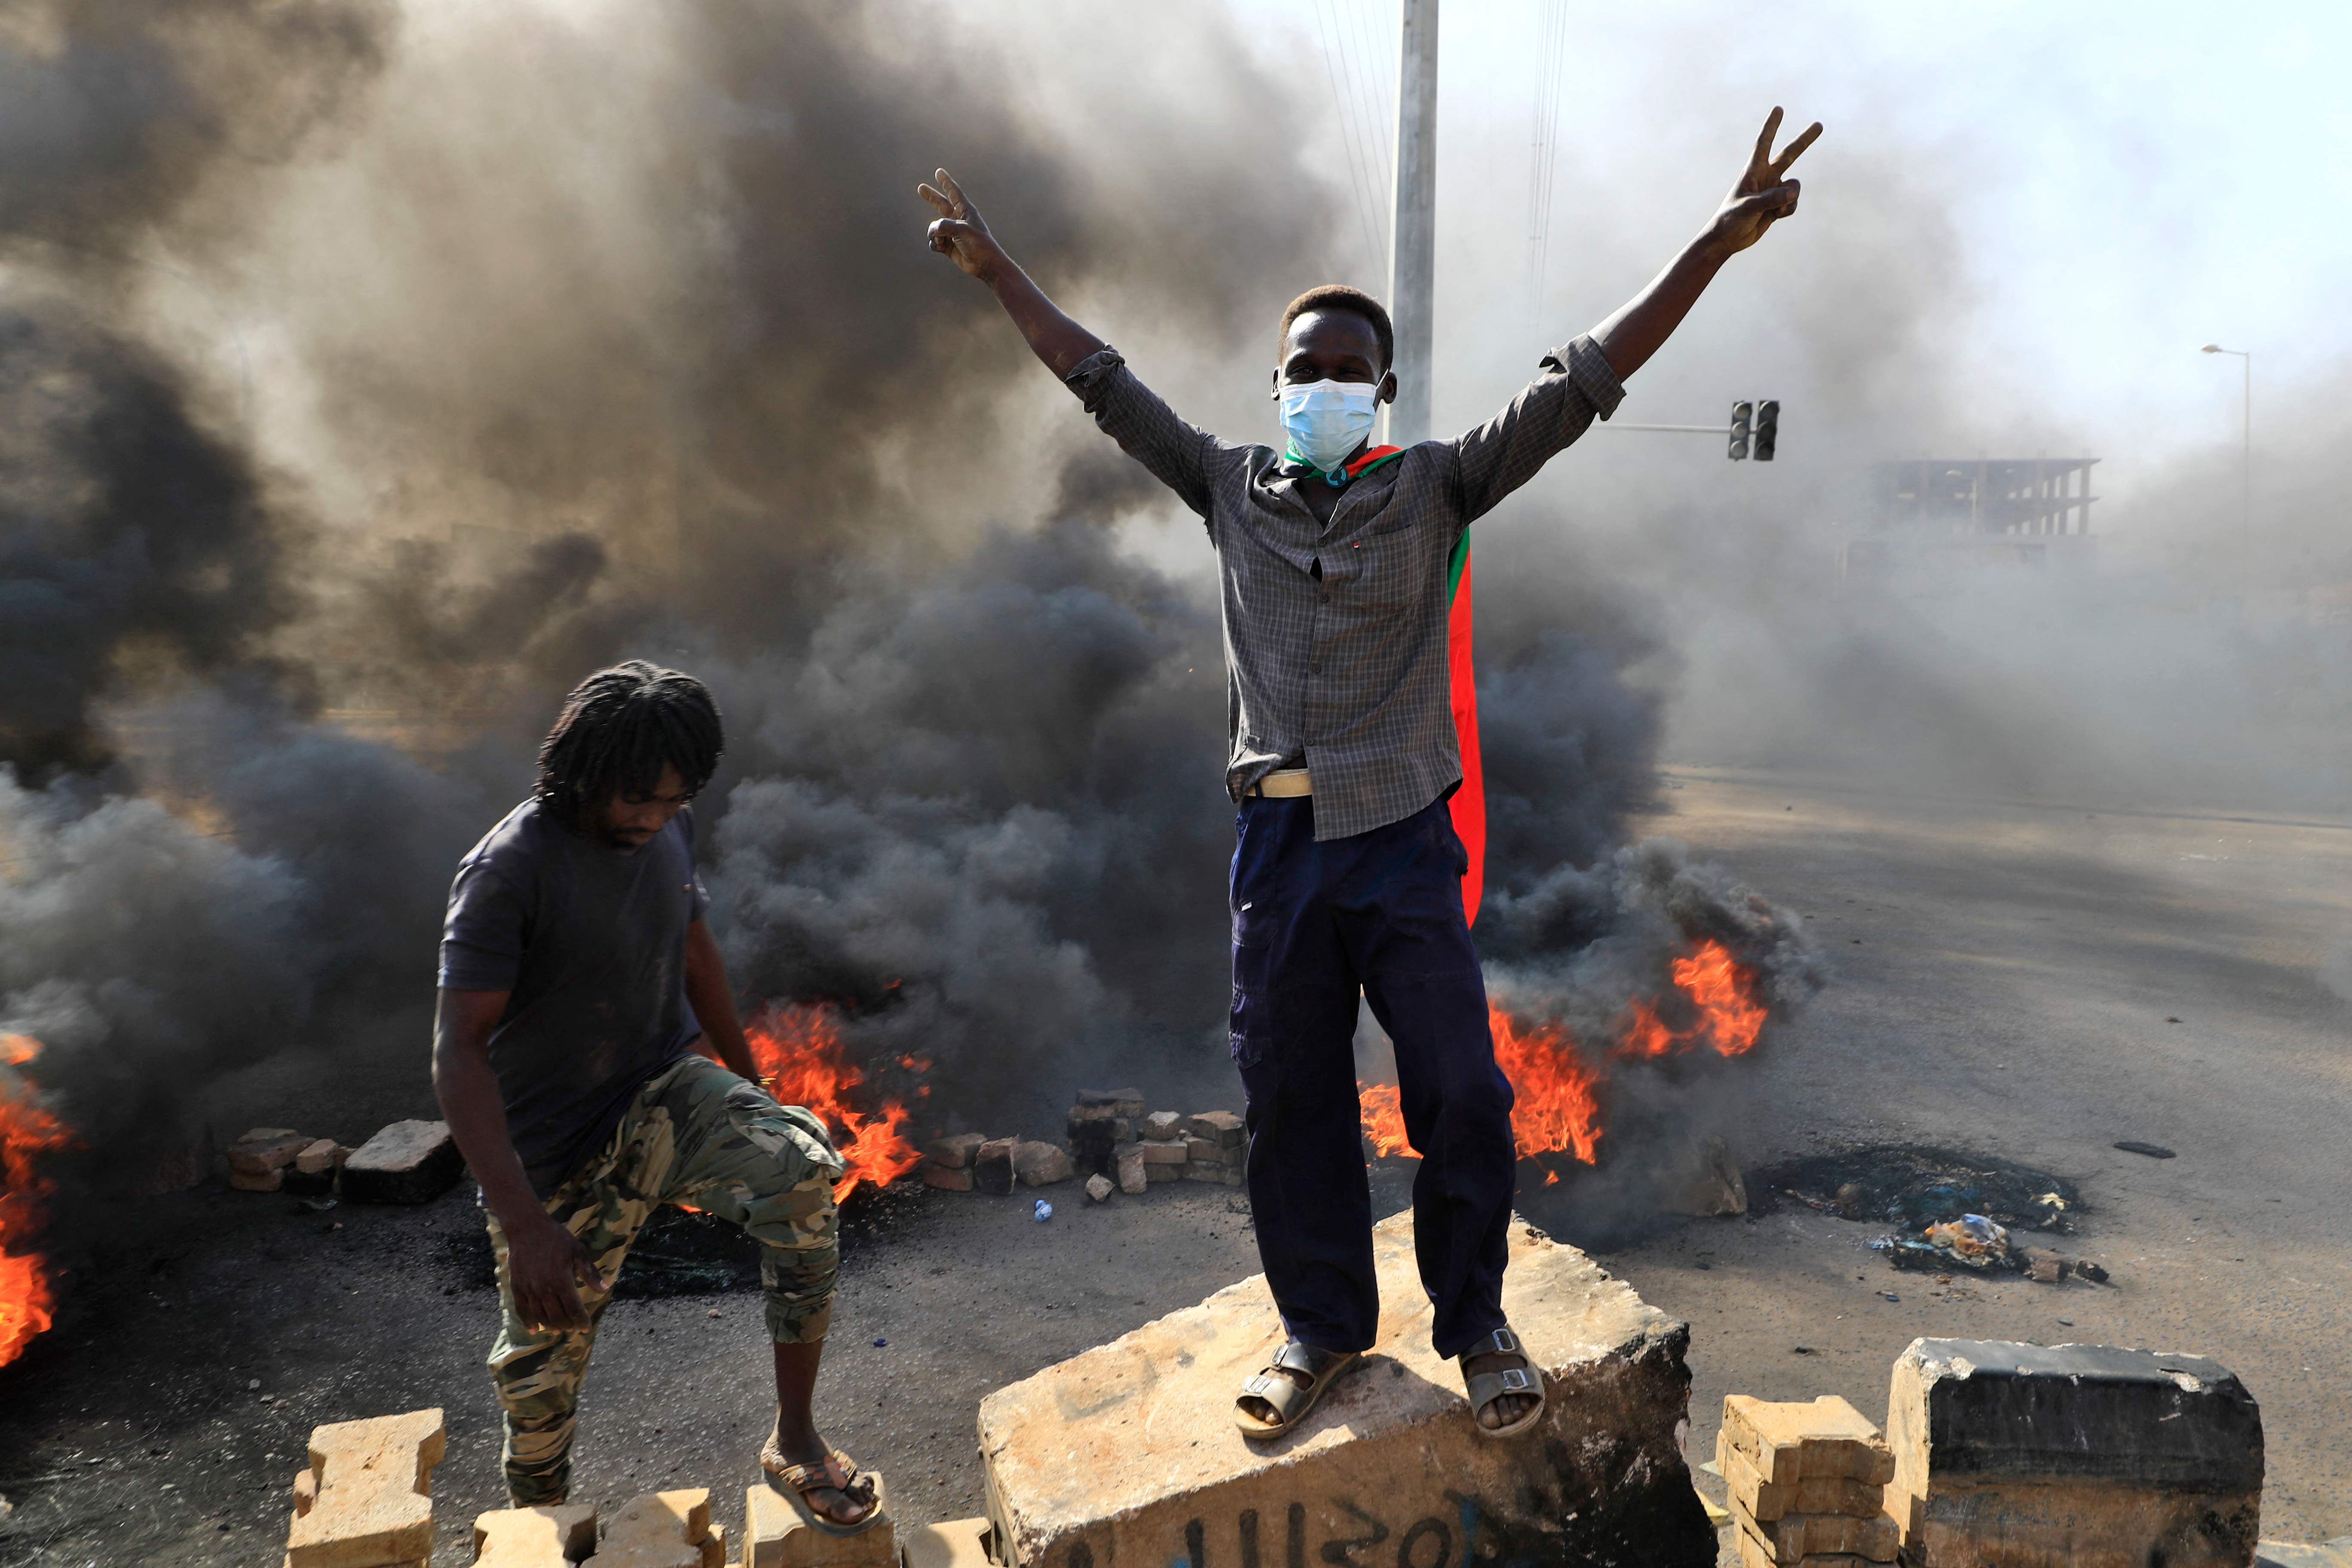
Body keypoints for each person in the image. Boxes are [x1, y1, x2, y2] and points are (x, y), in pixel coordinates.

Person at [916, 110, 1819, 1440]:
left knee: (1463, 1089)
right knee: (1292, 1103)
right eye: (1308, 370)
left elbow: (1586, 379)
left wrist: (1711, 245)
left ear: (1383, 392)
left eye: (1350, 372)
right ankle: (1322, 1330)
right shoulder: (1227, 486)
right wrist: (1001, 274)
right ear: (1278, 384)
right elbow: (1099, 379)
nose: (1327, 387)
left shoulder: (1439, 487)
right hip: (1278, 855)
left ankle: (1478, 1325)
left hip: (1400, 843)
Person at [432, 660, 879, 1527]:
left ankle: (794, 1438)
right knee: (539, 1390)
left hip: (664, 1089)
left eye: (675, 801)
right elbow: (458, 1051)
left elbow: (696, 952)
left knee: (801, 1173)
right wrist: (524, 1224)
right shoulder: (507, 871)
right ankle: (542, 1532)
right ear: (585, 771)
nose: (655, 817)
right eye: (639, 798)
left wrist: (750, 1087)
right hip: (557, 1153)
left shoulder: (667, 830)